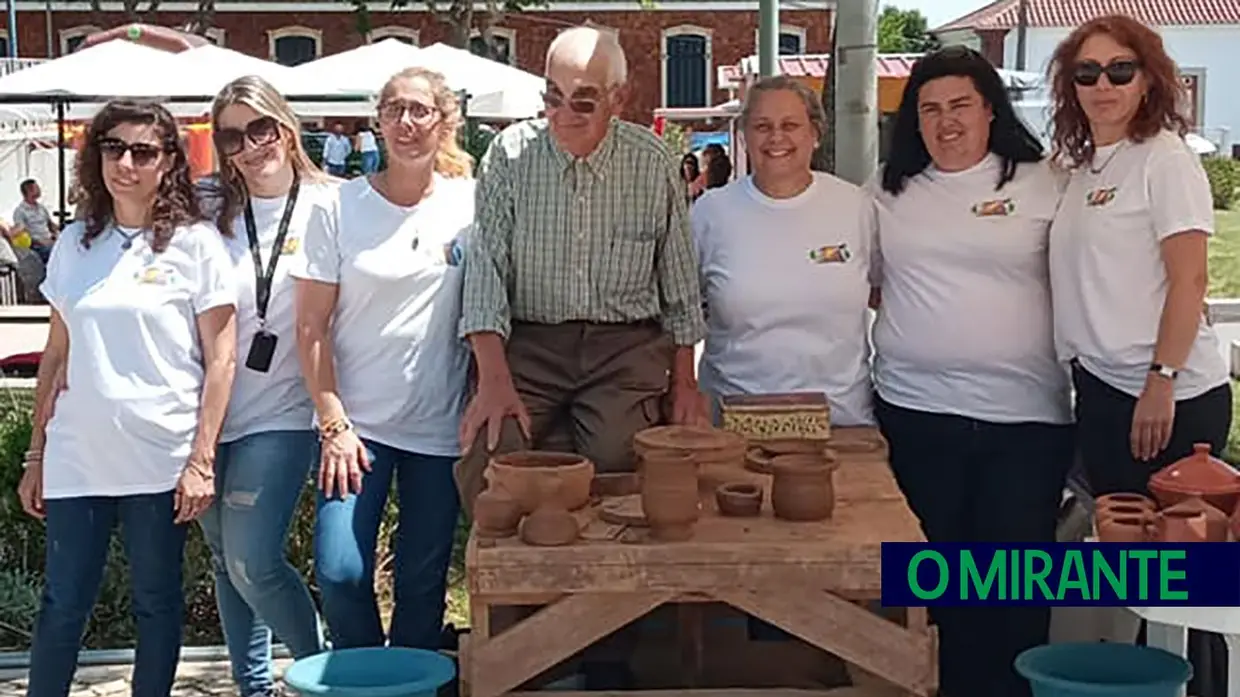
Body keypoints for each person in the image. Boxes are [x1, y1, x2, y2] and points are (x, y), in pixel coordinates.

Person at [870, 47, 1072, 697]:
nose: (945, 121)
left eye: (960, 104)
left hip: (1026, 420)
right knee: (932, 581)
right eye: (929, 109)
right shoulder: (886, 189)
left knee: (1014, 582)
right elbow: (869, 284)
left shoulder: (1046, 181)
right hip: (916, 413)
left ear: (990, 108)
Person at [17, 99, 236, 697]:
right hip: (77, 456)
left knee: (157, 604)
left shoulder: (196, 245)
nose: (126, 163)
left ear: (169, 162)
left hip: (159, 457)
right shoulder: (74, 244)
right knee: (63, 603)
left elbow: (221, 360)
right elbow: (55, 357)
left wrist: (201, 459)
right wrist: (37, 454)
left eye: (144, 151)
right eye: (114, 148)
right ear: (97, 156)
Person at [1046, 18, 1230, 696]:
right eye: (1087, 73)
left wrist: (1162, 379)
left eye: (1119, 70)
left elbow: (1190, 281)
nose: (1103, 85)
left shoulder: (1165, 158)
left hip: (1167, 396)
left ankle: (1203, 686)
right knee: (1130, 576)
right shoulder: (1082, 164)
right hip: (1101, 390)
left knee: (1184, 579)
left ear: (1149, 77)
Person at [455, 25, 706, 515]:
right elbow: (484, 273)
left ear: (620, 98)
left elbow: (678, 283)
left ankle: (607, 588)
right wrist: (492, 379)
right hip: (529, 343)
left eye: (583, 101)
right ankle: (515, 591)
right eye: (552, 97)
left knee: (623, 466)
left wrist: (686, 385)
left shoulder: (653, 163)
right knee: (490, 461)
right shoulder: (509, 156)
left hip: (624, 348)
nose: (563, 115)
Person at [293, 67, 473, 650]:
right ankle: (366, 675)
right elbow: (310, 325)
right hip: (357, 429)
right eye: (394, 109)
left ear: (445, 123)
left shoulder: (472, 206)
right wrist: (333, 424)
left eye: (421, 110)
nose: (406, 122)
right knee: (340, 569)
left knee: (423, 581)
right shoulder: (337, 207)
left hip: (440, 428)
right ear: (378, 121)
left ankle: (414, 682)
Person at [197, 75, 330, 697]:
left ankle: (319, 673)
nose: (251, 146)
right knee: (226, 563)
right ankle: (254, 687)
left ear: (286, 126)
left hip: (283, 413)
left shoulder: (332, 204)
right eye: (233, 136)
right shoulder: (206, 211)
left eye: (262, 128)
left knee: (253, 559)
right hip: (208, 415)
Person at [693, 75, 875, 428]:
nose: (776, 137)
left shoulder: (857, 207)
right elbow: (681, 312)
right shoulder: (710, 213)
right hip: (735, 420)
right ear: (745, 137)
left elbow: (883, 292)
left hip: (842, 422)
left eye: (790, 125)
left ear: (816, 133)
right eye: (762, 126)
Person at [12, 178, 57, 263]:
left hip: (50, 240)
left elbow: (50, 224)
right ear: (29, 191)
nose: (39, 190)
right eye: (37, 188)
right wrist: (40, 241)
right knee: (53, 253)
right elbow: (22, 233)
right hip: (36, 245)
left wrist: (57, 233)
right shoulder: (20, 211)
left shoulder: (41, 208)